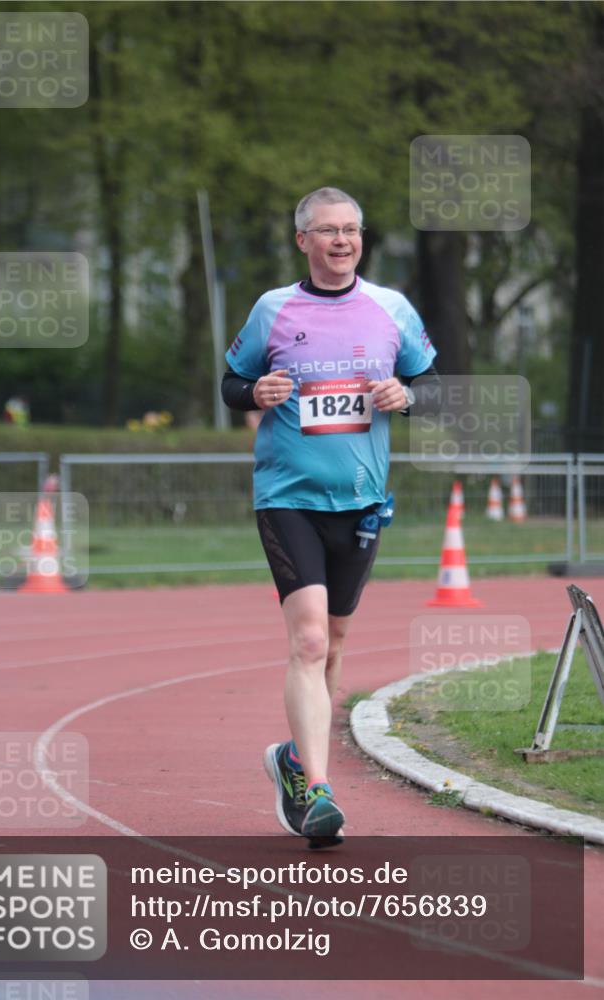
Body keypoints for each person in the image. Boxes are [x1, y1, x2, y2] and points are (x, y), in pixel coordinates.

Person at [221, 187, 439, 847]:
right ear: (303, 242)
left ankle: (294, 759)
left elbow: (431, 388)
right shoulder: (273, 310)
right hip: (287, 496)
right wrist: (252, 392)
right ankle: (316, 791)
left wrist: (406, 396)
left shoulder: (390, 309)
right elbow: (231, 383)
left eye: (350, 230)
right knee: (309, 641)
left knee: (336, 643)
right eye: (327, 231)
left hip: (362, 500)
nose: (341, 241)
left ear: (360, 239)